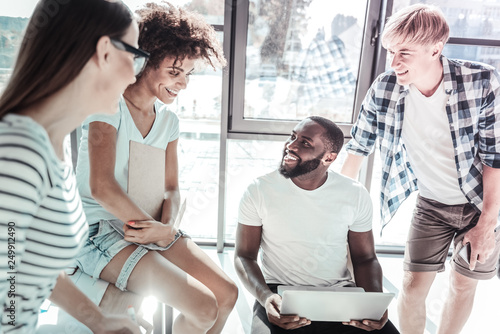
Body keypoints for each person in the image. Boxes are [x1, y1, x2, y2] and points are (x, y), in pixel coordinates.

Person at [74, 3, 237, 334]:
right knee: (204, 307)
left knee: (227, 294)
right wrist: (151, 228)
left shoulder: (169, 123)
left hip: (148, 224)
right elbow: (102, 187)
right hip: (99, 230)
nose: (183, 84)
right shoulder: (108, 107)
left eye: (188, 74)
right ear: (145, 62)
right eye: (174, 73)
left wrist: (167, 227)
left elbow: (172, 189)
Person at [340, 4, 500, 334]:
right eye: (390, 52)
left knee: (462, 285)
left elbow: (495, 160)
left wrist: (487, 224)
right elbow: (357, 149)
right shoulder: (385, 88)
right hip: (431, 205)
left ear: (435, 49)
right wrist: (336, 212)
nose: (394, 63)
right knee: (411, 289)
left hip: (480, 204)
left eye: (404, 53)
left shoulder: (481, 82)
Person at [0, 0, 144, 333]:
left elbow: (30, 264)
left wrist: (100, 321)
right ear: (105, 51)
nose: (134, 74)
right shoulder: (19, 153)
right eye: (134, 56)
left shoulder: (54, 143)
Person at [235, 116, 399, 334]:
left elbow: (365, 258)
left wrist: (374, 302)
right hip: (280, 297)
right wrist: (266, 297)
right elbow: (244, 256)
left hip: (341, 297)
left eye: (305, 143)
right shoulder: (258, 190)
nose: (290, 146)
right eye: (293, 137)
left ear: (329, 157)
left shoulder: (355, 194)